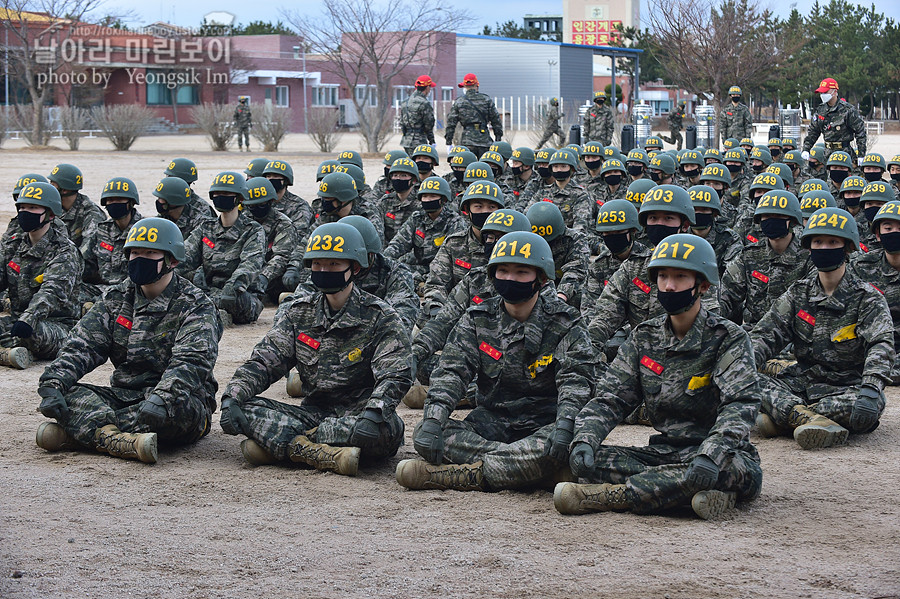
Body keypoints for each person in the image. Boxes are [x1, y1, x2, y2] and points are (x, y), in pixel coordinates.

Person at [554, 234, 762, 520]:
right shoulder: (644, 337)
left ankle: (612, 497)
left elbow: (740, 405)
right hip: (664, 454)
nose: (669, 285)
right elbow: (610, 399)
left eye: (679, 277)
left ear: (702, 285)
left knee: (729, 472)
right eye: (663, 276)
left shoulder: (729, 338)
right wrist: (586, 440)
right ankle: (688, 496)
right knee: (585, 461)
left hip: (722, 456)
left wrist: (710, 454)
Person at [396, 231, 597, 492]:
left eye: (521, 272)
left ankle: (465, 475)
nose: (510, 279)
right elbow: (452, 372)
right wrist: (435, 419)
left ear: (541, 277)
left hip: (547, 424)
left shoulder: (565, 323)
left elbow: (576, 382)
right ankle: (530, 470)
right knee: (428, 430)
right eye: (503, 271)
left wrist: (566, 423)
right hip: (492, 420)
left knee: (570, 441)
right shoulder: (477, 318)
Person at [220, 222, 412, 475]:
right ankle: (315, 452)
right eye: (318, 264)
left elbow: (395, 375)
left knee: (387, 431)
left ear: (354, 267)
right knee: (244, 409)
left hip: (361, 416)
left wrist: (375, 413)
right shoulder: (298, 313)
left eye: (333, 264)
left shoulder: (381, 316)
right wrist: (232, 396)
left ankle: (285, 444)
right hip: (312, 413)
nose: (324, 270)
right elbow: (264, 362)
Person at [34, 217, 222, 464]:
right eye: (134, 252)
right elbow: (83, 345)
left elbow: (192, 363)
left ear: (172, 260)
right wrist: (54, 383)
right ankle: (116, 439)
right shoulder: (117, 297)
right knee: (68, 395)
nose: (139, 259)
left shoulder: (196, 305)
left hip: (178, 400)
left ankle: (84, 433)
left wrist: (161, 398)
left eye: (149, 253)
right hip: (125, 394)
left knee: (170, 413)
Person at [752, 207, 893, 449]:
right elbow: (765, 335)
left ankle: (785, 416)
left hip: (846, 388)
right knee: (750, 381)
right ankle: (806, 419)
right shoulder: (798, 293)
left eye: (832, 242)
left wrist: (871, 386)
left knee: (868, 405)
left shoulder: (867, 297)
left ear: (848, 247)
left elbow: (881, 345)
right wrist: (742, 366)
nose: (824, 248)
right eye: (818, 241)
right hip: (800, 383)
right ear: (808, 246)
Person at [0, 182, 81, 369]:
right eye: (22, 207)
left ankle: (10, 350)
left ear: (50, 213)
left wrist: (29, 318)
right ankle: (9, 354)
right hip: (18, 318)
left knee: (30, 333)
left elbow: (52, 292)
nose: (25, 212)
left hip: (56, 325)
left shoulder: (64, 251)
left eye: (33, 208)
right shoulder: (13, 243)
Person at [179, 172, 266, 325]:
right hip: (208, 290)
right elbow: (184, 257)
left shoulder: (252, 230)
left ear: (239, 197)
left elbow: (250, 265)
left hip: (241, 295)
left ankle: (211, 310)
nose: (220, 197)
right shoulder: (206, 228)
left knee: (232, 299)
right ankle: (211, 309)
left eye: (226, 193)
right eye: (217, 193)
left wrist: (231, 287)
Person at [719, 190, 812, 330]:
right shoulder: (748, 256)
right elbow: (726, 297)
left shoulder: (808, 256)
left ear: (792, 221)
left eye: (779, 216)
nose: (772, 220)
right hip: (754, 332)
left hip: (796, 335)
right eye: (767, 216)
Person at [384, 175, 466, 292]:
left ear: (443, 199)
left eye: (433, 196)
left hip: (443, 273)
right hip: (418, 268)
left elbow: (449, 264)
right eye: (425, 196)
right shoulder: (417, 218)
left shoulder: (455, 223)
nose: (428, 200)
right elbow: (398, 243)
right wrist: (383, 262)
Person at [850, 200, 900, 383]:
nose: (895, 232)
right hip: (872, 344)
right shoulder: (862, 266)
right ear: (878, 235)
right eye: (888, 228)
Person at [81, 177, 144, 306]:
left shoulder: (144, 230)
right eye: (110, 200)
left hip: (132, 292)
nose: (113, 203)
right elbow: (84, 262)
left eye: (119, 200)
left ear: (131, 202)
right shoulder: (102, 230)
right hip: (101, 289)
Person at [242, 177, 298, 303]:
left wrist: (263, 277)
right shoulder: (243, 220)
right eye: (252, 205)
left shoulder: (283, 224)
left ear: (271, 201)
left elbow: (282, 257)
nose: (256, 208)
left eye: (261, 204)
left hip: (272, 278)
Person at [802, 78, 867, 165]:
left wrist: (861, 154)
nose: (822, 95)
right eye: (821, 93)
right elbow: (813, 131)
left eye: (825, 92)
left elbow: (860, 132)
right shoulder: (820, 110)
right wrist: (806, 149)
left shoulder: (847, 110)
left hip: (845, 153)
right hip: (827, 154)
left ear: (834, 91)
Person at [48, 163, 105, 260]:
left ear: (64, 189)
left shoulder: (91, 213)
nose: (49, 187)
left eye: (53, 184)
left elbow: (88, 248)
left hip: (81, 264)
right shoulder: (52, 207)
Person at [444, 73, 503, 159]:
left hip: (467, 141)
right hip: (484, 140)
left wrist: (448, 142)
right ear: (476, 85)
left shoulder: (459, 101)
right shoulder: (486, 100)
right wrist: (498, 138)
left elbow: (451, 123)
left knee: (468, 168)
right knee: (485, 167)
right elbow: (496, 120)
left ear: (464, 86)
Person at [153, 176, 215, 241]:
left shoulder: (202, 224)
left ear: (173, 201)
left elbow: (210, 246)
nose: (158, 201)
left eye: (160, 198)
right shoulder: (163, 218)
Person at [400, 75, 437, 155]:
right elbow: (429, 124)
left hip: (406, 141)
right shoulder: (424, 103)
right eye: (430, 87)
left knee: (410, 165)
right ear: (427, 88)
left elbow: (402, 123)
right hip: (419, 140)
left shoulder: (405, 102)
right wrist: (432, 141)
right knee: (420, 165)